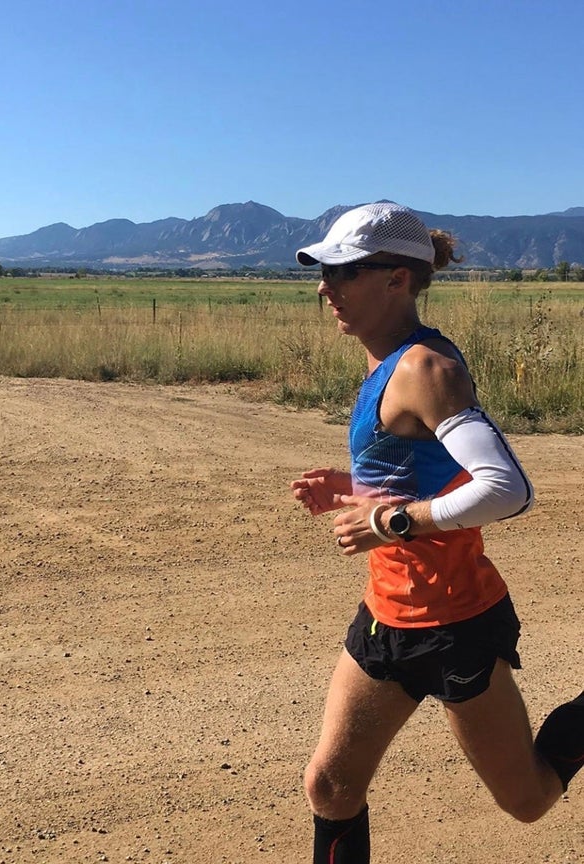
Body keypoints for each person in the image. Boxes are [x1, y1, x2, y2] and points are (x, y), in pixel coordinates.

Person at [290, 201, 583, 864]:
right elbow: (427, 472)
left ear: (398, 280)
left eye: (343, 272)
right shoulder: (383, 361)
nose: (323, 288)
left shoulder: (426, 370)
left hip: (455, 623)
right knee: (331, 786)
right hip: (387, 617)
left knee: (530, 800)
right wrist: (353, 490)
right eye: (323, 272)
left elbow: (509, 489)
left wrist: (390, 521)